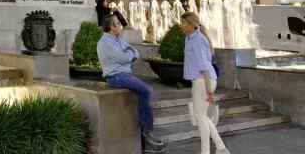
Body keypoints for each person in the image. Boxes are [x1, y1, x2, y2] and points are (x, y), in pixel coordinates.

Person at [97, 13, 165, 153]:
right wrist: (130, 55)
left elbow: (135, 52)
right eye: (117, 23)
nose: (120, 26)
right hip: (116, 76)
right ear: (111, 27)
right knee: (146, 91)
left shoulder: (118, 40)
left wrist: (130, 54)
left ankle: (145, 141)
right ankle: (147, 132)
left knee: (143, 94)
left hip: (126, 75)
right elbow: (123, 58)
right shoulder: (105, 42)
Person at [180, 12, 230, 154]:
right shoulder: (189, 38)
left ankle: (206, 151)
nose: (181, 25)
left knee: (200, 117)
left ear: (191, 24)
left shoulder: (197, 40)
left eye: (183, 22)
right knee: (203, 116)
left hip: (203, 80)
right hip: (201, 80)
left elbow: (204, 67)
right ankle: (221, 148)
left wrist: (209, 92)